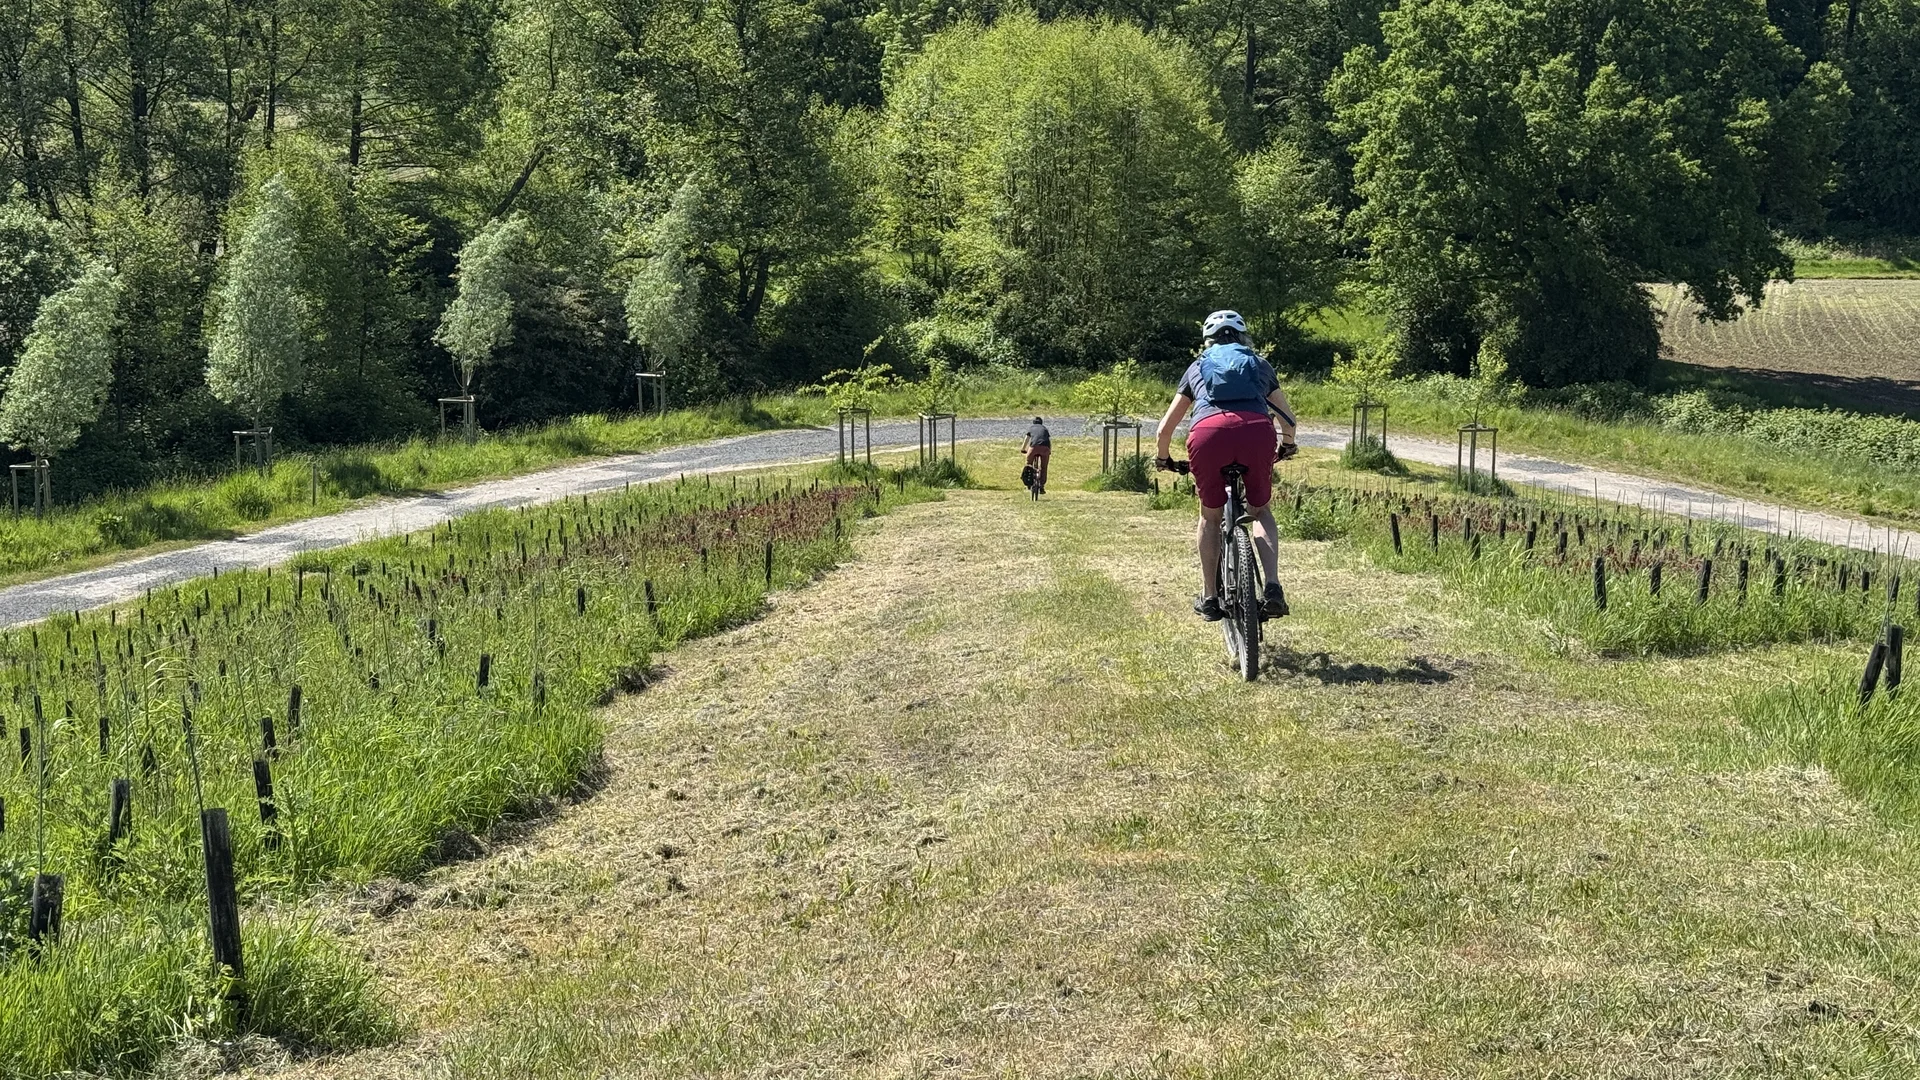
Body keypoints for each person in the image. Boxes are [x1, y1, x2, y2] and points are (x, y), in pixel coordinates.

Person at [1154, 310, 1298, 621]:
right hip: (1256, 432)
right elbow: (1289, 420)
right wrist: (1286, 445)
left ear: (1207, 341)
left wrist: (1163, 458)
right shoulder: (1259, 364)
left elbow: (1164, 429)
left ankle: (1209, 597)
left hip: (1208, 435)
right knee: (1260, 511)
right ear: (1243, 337)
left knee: (1210, 516)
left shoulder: (1197, 366)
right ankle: (1272, 587)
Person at [1020, 416, 1051, 493]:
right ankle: (1042, 486)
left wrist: (1023, 449)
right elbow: (1049, 441)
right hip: (1045, 448)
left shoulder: (1031, 428)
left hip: (1034, 447)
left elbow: (1026, 439)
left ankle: (1028, 484)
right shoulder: (1045, 429)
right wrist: (1049, 451)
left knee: (1028, 464)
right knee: (1044, 467)